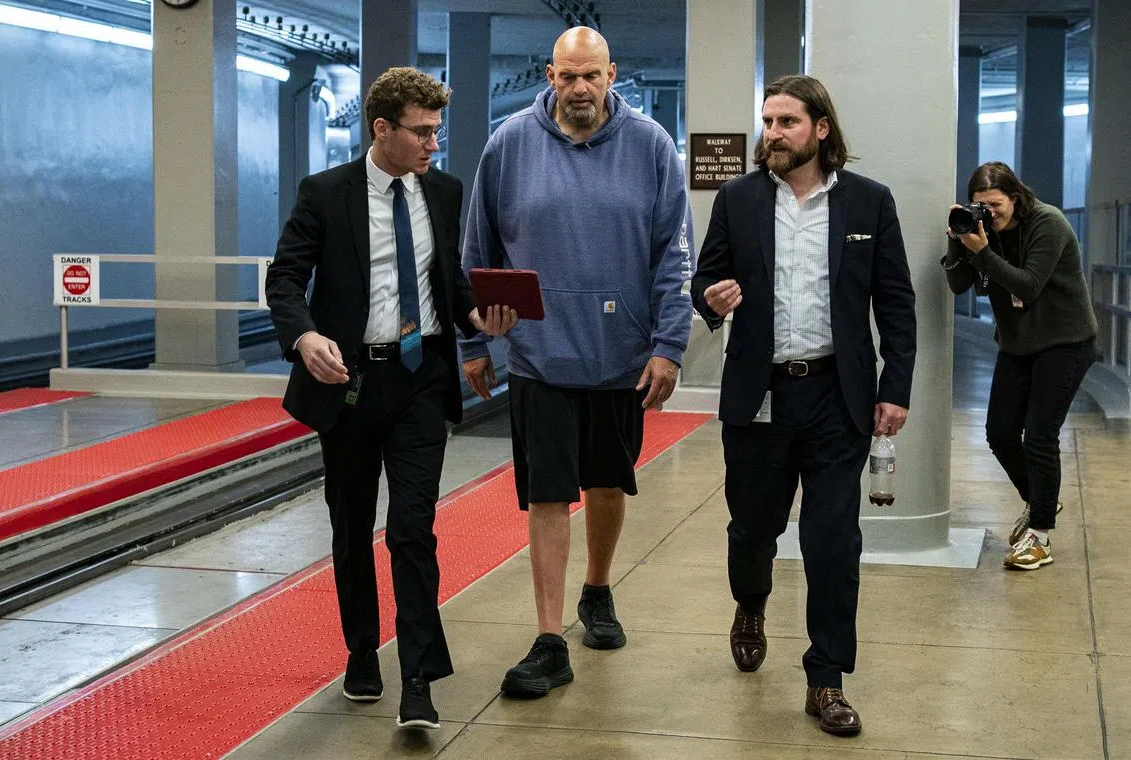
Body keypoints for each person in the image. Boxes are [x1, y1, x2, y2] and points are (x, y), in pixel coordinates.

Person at [266, 67, 515, 730]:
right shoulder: (326, 194)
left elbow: (447, 281)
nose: (434, 144)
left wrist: (478, 318)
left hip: (420, 379)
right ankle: (360, 652)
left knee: (412, 527)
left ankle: (418, 677)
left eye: (437, 131)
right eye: (422, 132)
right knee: (352, 526)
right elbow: (285, 279)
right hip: (348, 383)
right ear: (381, 129)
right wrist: (305, 337)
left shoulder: (443, 191)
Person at [458, 26, 694, 697]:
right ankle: (548, 639)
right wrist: (472, 344)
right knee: (548, 492)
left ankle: (597, 589)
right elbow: (477, 251)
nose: (581, 88)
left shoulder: (651, 145)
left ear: (612, 75)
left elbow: (673, 255)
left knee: (608, 483)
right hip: (539, 356)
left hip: (622, 357)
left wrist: (669, 346)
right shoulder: (509, 144)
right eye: (569, 76)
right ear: (550, 76)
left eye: (592, 75)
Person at [690, 74, 916, 736]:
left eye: (786, 122)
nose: (772, 133)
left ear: (820, 128)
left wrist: (896, 387)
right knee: (751, 529)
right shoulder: (738, 199)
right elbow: (705, 279)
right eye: (767, 121)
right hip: (758, 394)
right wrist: (712, 299)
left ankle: (827, 679)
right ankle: (751, 602)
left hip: (835, 396)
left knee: (832, 542)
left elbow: (895, 301)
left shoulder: (869, 202)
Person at [943, 161, 1096, 570]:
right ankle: (1041, 499)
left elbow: (1027, 285)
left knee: (1040, 435)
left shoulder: (1048, 223)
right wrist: (959, 242)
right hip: (1017, 344)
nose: (990, 213)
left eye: (996, 204)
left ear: (1015, 196)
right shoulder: (982, 230)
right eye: (981, 205)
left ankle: (1040, 536)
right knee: (999, 432)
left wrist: (982, 252)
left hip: (1065, 341)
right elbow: (958, 286)